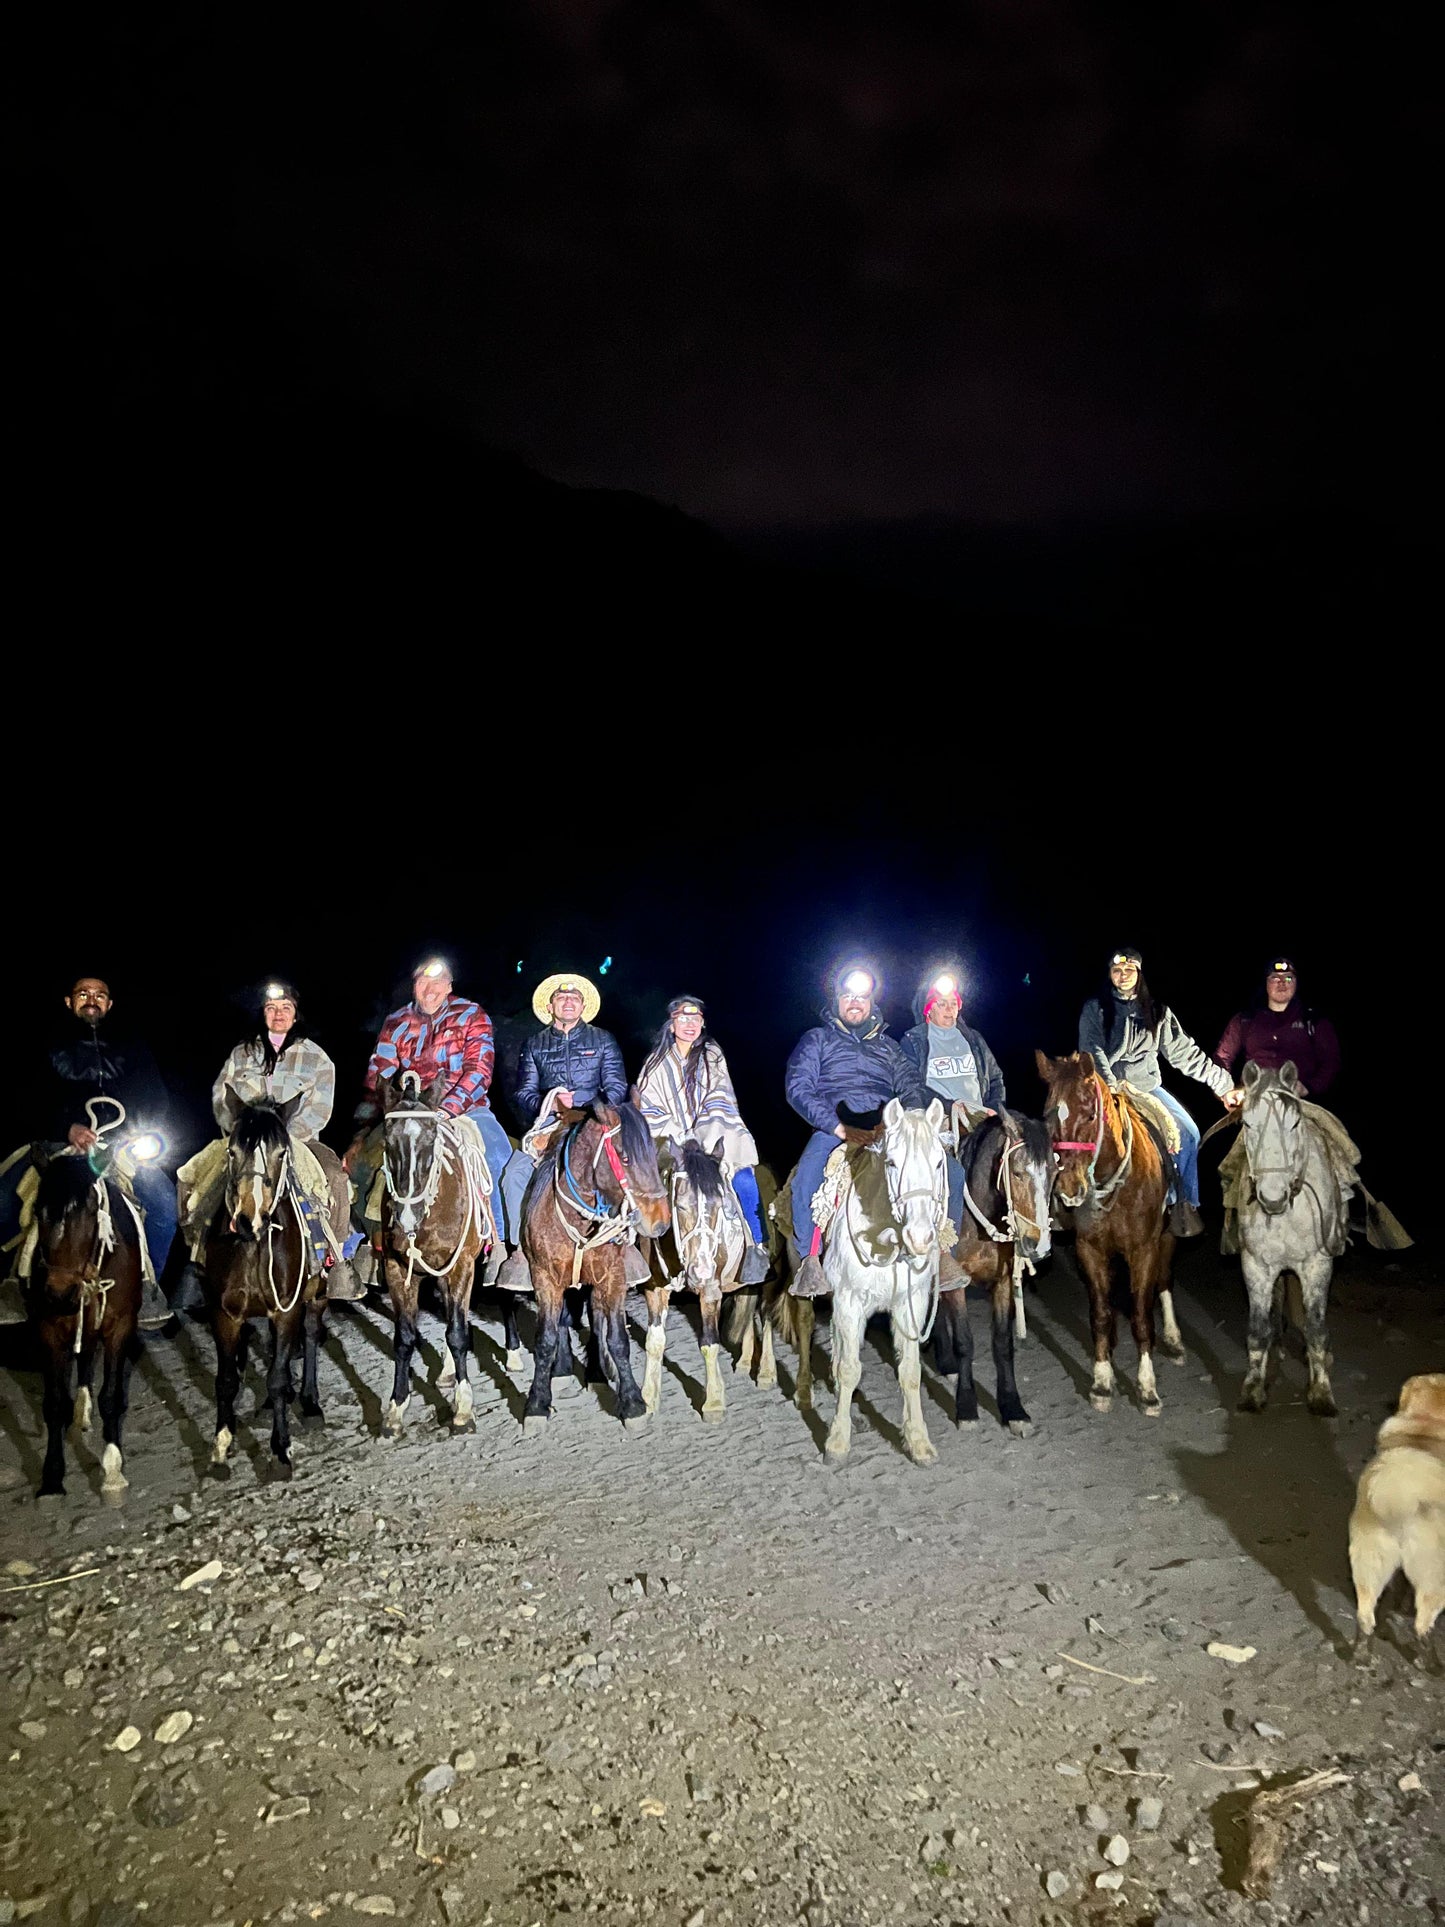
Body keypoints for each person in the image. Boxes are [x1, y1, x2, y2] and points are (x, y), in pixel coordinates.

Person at [1, 975, 175, 1327]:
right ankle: (10, 1286)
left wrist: (129, 1134)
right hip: (57, 1145)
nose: (91, 999)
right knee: (4, 1200)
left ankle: (146, 1287)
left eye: (99, 995)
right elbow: (24, 1099)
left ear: (109, 1004)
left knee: (164, 1206)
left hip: (118, 1147)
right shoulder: (44, 1043)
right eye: (83, 994)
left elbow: (155, 1098)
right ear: (69, 1001)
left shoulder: (132, 1045)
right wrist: (67, 1127)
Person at [172, 982, 361, 1306]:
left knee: (335, 1178)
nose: (278, 1014)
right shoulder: (242, 1054)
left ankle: (336, 1261)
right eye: (271, 1008)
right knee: (190, 1175)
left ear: (295, 1014)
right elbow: (222, 1097)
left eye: (285, 1008)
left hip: (295, 1138)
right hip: (243, 1138)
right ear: (263, 1013)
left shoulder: (316, 1057)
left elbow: (320, 1107)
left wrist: (285, 1134)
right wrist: (239, 1130)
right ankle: (197, 1259)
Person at [344, 959, 513, 1260]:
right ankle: (355, 1249)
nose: (430, 988)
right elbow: (377, 1076)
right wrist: (364, 1127)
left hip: (464, 1110)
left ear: (449, 985)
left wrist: (446, 1109)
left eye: (438, 982)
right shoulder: (396, 1022)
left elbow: (479, 1070)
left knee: (497, 1155)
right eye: (423, 981)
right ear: (414, 986)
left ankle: (497, 1245)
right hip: (408, 1111)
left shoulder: (472, 1015)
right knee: (359, 1164)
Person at [784, 964, 933, 1296]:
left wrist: (915, 1119)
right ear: (836, 1000)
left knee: (943, 1167)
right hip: (836, 1125)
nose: (855, 1002)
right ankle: (810, 1260)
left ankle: (941, 1252)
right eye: (848, 996)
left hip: (884, 1125)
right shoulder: (816, 1039)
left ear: (871, 1003)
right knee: (807, 1177)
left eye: (862, 997)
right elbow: (798, 1087)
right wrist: (836, 1127)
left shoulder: (888, 1047)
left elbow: (910, 1085)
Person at [1078, 946, 1238, 1234]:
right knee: (1071, 1131)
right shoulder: (1095, 1009)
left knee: (1189, 1133)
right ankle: (1068, 1201)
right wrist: (1110, 1087)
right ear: (1110, 975)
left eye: (1129, 970)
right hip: (1104, 1088)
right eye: (1117, 970)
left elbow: (1185, 1054)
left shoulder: (1157, 1012)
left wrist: (1223, 1085)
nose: (1123, 975)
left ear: (1139, 974)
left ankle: (1183, 1203)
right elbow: (1092, 1050)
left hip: (1147, 1087)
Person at [497, 973, 629, 1274]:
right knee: (514, 1175)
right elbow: (523, 1092)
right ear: (551, 1004)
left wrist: (590, 1109)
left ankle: (624, 1243)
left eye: (574, 998)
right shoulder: (535, 1044)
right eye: (561, 997)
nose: (568, 1001)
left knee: (623, 1168)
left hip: (594, 1121)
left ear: (583, 1005)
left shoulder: (602, 1039)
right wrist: (551, 1103)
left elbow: (617, 1086)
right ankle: (521, 1251)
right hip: (552, 1123)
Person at [636, 996, 770, 1285]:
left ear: (702, 1024)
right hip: (671, 1142)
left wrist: (703, 1134)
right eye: (682, 1019)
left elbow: (720, 1096)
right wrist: (679, 1134)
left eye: (695, 1019)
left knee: (745, 1178)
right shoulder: (655, 1062)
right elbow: (648, 1106)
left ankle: (756, 1246)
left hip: (711, 1140)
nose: (689, 1025)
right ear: (671, 1025)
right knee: (639, 1183)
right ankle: (631, 1249)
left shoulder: (712, 1055)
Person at [899, 966, 1007, 1230]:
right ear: (928, 1009)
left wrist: (994, 1109)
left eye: (953, 1004)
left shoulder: (973, 1039)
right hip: (941, 1122)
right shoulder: (913, 1041)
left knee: (1020, 1157)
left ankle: (1022, 1234)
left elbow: (995, 1079)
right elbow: (911, 1086)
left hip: (981, 1119)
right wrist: (949, 1106)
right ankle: (948, 1240)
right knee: (949, 1173)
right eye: (942, 1004)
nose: (949, 1010)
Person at [1214, 957, 1340, 1096]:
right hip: (1255, 1101)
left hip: (1299, 1102)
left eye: (1288, 978)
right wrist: (1225, 1092)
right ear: (1266, 982)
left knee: (1327, 1118)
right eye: (1275, 978)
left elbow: (1331, 1061)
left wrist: (1309, 1087)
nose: (1282, 983)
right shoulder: (1245, 1020)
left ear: (1296, 983)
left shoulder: (1313, 1020)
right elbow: (1222, 1056)